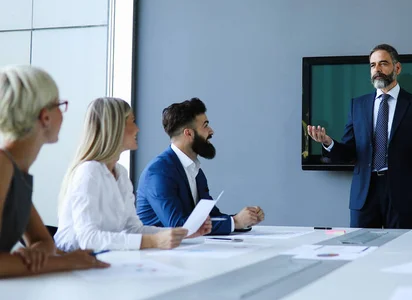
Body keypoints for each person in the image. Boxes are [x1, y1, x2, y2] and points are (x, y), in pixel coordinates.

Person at [307, 44, 412, 229]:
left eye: (383, 64)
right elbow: (348, 153)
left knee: (399, 252)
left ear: (397, 68)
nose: (377, 69)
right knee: (361, 250)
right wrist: (327, 142)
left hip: (402, 193)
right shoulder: (357, 105)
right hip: (364, 193)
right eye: (372, 65)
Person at [54, 98, 211, 252]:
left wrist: (183, 234)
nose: (137, 129)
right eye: (132, 122)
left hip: (104, 261)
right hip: (75, 266)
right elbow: (88, 238)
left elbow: (132, 228)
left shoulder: (121, 173)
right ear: (115, 127)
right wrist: (153, 241)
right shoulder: (89, 172)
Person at [0, 65, 109, 277]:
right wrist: (69, 262)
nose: (63, 112)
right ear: (45, 117)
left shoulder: (16, 170)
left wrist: (37, 254)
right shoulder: (3, 166)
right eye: (59, 105)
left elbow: (43, 241)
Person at [136, 98, 265, 234]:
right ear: (189, 133)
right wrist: (235, 222)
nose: (211, 131)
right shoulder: (158, 173)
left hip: (184, 250)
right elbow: (177, 226)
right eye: (205, 125)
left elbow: (210, 217)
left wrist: (245, 219)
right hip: (158, 253)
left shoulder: (195, 170)